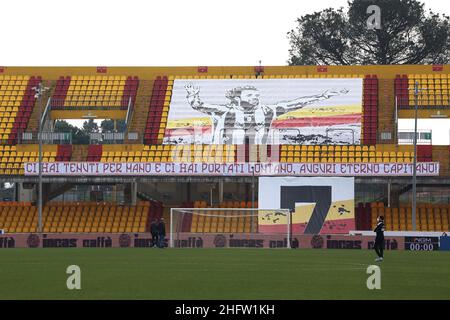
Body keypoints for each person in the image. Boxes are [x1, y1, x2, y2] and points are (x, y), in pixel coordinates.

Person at [185, 83, 349, 144]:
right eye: (250, 95)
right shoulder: (225, 111)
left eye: (257, 95)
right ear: (237, 98)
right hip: (224, 157)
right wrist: (193, 95)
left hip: (261, 157)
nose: (255, 98)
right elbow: (198, 105)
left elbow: (295, 104)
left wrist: (322, 96)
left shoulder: (266, 111)